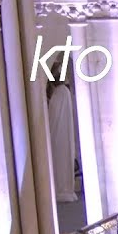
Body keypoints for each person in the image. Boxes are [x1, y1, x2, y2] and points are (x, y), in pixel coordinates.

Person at [47, 69, 79, 202]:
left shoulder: (59, 94)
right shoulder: (65, 92)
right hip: (65, 135)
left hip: (58, 136)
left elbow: (51, 117)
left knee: (59, 162)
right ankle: (66, 189)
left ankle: (61, 190)